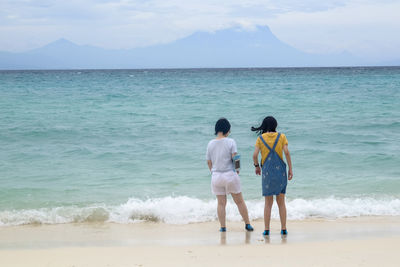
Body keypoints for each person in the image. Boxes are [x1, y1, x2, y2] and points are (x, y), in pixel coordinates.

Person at [206, 118, 254, 232]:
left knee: (221, 203)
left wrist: (213, 172)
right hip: (229, 175)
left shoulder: (210, 143)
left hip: (216, 176)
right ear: (227, 130)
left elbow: (209, 161)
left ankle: (222, 227)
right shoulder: (231, 141)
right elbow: (235, 157)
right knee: (239, 201)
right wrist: (237, 170)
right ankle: (247, 224)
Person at [251, 116, 293, 236]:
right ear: (275, 125)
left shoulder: (260, 139)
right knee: (281, 202)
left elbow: (254, 155)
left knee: (268, 203)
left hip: (267, 174)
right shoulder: (282, 137)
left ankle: (267, 230)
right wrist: (290, 169)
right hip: (281, 172)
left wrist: (257, 166)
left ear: (264, 126)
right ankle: (283, 228)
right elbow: (286, 152)